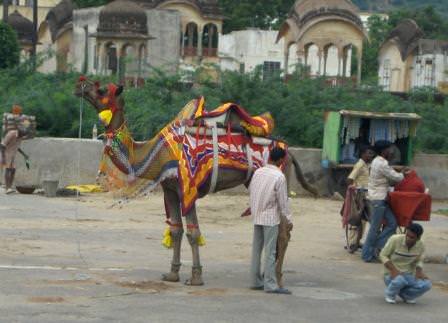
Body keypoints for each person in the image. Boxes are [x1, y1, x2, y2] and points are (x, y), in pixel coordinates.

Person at [249, 146, 293, 295]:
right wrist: (288, 219)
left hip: (257, 215)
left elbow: (252, 192)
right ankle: (270, 285)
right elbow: (283, 202)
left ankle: (255, 281)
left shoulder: (258, 172)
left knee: (256, 250)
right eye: (285, 159)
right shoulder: (279, 176)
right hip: (270, 218)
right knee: (270, 252)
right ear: (281, 160)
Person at [362, 140, 404, 262]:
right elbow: (395, 177)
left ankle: (375, 246)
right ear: (384, 150)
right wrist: (403, 173)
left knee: (392, 223)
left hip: (378, 198)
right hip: (378, 199)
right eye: (389, 149)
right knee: (375, 228)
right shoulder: (381, 163)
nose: (391, 152)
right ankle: (367, 254)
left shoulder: (377, 161)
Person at [380, 223, 431, 304]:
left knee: (427, 284)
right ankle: (390, 295)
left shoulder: (421, 244)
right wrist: (393, 270)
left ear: (418, 238)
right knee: (400, 281)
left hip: (408, 274)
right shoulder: (395, 239)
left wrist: (419, 271)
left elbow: (419, 260)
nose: (408, 238)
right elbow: (383, 255)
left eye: (412, 237)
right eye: (407, 235)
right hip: (390, 274)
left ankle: (407, 296)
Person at [345, 145, 375, 253]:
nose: (371, 155)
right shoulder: (359, 165)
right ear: (363, 154)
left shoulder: (367, 165)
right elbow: (350, 179)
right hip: (359, 196)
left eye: (372, 153)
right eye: (369, 153)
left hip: (367, 195)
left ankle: (357, 241)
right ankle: (353, 243)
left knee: (363, 221)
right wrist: (353, 192)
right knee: (356, 220)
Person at [0, 105, 25, 194]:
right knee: (8, 169)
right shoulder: (11, 133)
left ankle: (10, 186)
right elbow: (2, 145)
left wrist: (24, 154)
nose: (23, 136)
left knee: (13, 170)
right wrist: (3, 157)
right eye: (23, 133)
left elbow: (16, 147)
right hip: (6, 154)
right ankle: (7, 188)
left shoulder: (20, 137)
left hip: (13, 154)